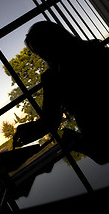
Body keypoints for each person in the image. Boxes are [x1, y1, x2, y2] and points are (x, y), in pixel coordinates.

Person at [13, 21, 109, 165]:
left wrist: (28, 129)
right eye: (39, 51)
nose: (43, 55)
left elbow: (50, 121)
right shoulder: (93, 49)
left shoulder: (51, 78)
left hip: (97, 137)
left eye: (40, 49)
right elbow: (50, 120)